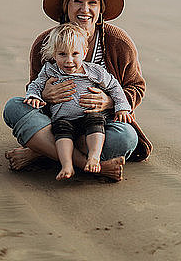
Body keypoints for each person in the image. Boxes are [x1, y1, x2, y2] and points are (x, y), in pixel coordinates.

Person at [3, 0, 153, 182]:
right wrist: (44, 96)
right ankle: (90, 164)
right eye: (77, 1)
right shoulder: (45, 43)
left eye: (93, 2)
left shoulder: (117, 42)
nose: (85, 9)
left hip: (99, 125)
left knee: (126, 138)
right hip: (57, 121)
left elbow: (137, 87)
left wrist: (109, 101)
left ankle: (39, 152)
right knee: (13, 107)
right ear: (66, 6)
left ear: (101, 9)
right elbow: (33, 88)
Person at [24, 23, 132, 180]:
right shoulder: (50, 70)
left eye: (75, 54)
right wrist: (35, 96)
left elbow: (114, 86)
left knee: (97, 122)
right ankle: (67, 165)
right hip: (63, 119)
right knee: (61, 132)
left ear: (84, 52)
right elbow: (36, 84)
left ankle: (94, 157)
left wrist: (121, 107)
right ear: (54, 54)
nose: (69, 61)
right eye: (62, 54)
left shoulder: (94, 71)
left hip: (88, 116)